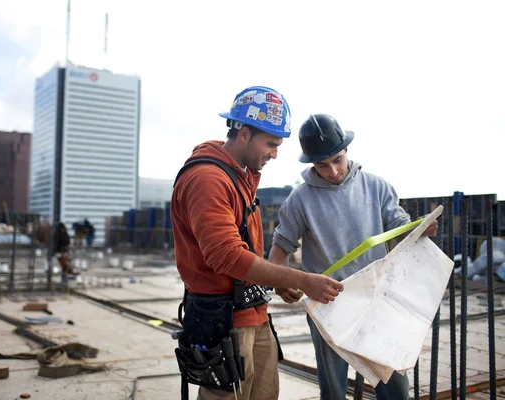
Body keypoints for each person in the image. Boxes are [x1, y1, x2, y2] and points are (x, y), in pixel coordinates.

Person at [171, 88, 344, 400]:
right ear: (244, 133)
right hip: (225, 322)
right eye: (271, 144)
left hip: (252, 314)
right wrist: (301, 279)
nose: (275, 153)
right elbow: (227, 257)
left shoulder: (238, 175)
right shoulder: (208, 180)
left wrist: (276, 283)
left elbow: (244, 251)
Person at [268, 114, 438, 400]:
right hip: (327, 303)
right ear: (311, 163)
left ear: (346, 150)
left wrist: (420, 228)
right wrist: (279, 279)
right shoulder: (299, 199)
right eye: (322, 165)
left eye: (337, 159)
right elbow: (280, 248)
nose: (332, 170)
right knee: (333, 389)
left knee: (393, 382)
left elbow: (400, 227)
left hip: (377, 298)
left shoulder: (377, 187)